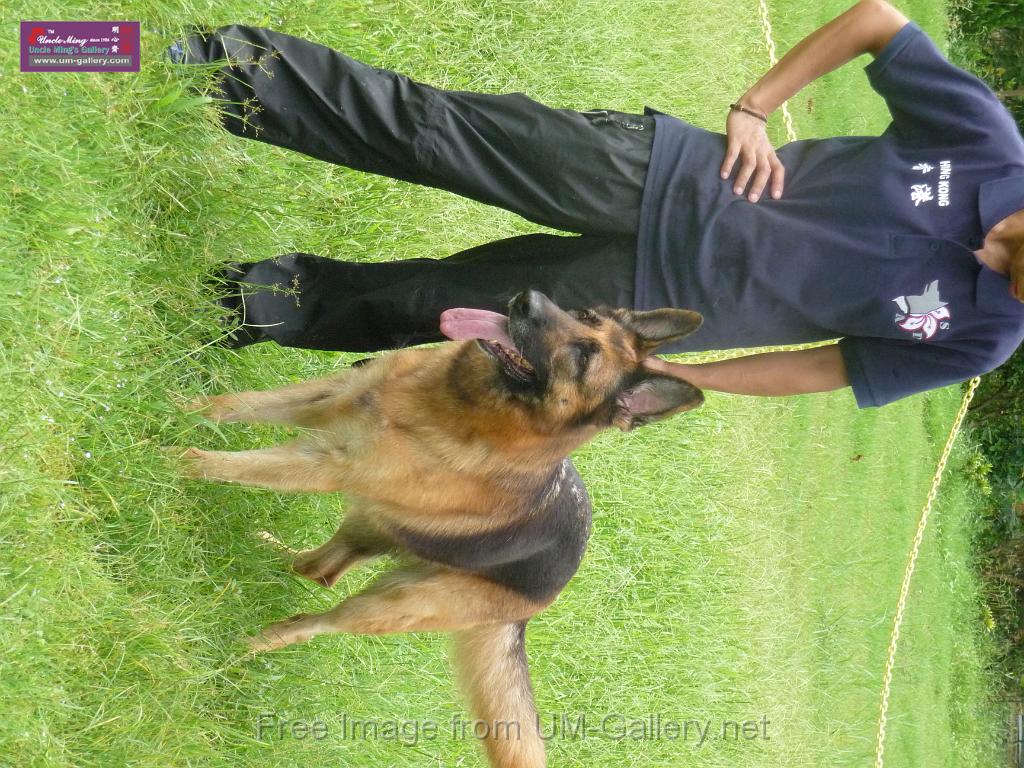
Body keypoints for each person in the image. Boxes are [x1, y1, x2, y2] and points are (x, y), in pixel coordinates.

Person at [171, 0, 1024, 408]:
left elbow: (829, 367)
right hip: (654, 172)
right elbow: (879, 21)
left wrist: (683, 373)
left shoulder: (986, 335)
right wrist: (755, 107)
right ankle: (192, 66)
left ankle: (234, 305)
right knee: (430, 132)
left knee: (430, 310)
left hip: (637, 307)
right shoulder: (986, 145)